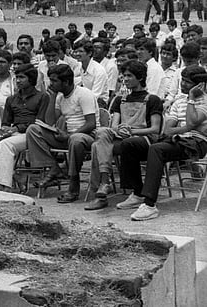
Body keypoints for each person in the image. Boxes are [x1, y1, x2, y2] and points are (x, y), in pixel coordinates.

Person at [115, 65, 207, 220]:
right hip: (177, 140)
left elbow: (191, 121)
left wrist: (191, 99)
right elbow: (168, 130)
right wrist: (189, 127)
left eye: (187, 82)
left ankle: (150, 205)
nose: (182, 84)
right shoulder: (178, 101)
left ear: (200, 85)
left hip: (197, 143)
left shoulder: (204, 101)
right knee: (129, 144)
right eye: (182, 80)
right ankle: (137, 193)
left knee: (157, 149)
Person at [84, 60, 163, 210]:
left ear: (139, 77)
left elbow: (155, 129)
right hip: (123, 136)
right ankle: (104, 184)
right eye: (123, 76)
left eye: (129, 76)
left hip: (144, 139)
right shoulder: (121, 99)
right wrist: (120, 130)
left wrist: (131, 131)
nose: (125, 79)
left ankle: (136, 192)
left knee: (117, 145)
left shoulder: (152, 99)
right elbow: (114, 125)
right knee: (100, 136)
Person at [26, 64, 99, 202]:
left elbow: (91, 123)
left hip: (88, 136)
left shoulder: (83, 94)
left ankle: (73, 186)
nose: (51, 84)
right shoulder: (60, 97)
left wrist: (69, 136)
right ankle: (55, 169)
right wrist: (52, 98)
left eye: (54, 81)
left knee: (76, 140)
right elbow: (49, 121)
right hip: (67, 136)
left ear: (65, 82)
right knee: (33, 130)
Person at [0, 63, 49, 192]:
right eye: (17, 77)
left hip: (32, 135)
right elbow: (6, 122)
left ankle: (4, 187)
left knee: (6, 145)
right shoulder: (11, 99)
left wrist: (17, 129)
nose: (18, 81)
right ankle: (15, 177)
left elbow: (40, 122)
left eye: (22, 77)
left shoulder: (42, 97)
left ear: (31, 79)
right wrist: (4, 129)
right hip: (12, 135)